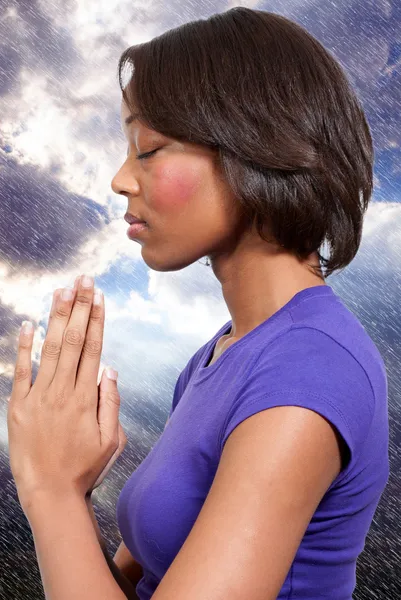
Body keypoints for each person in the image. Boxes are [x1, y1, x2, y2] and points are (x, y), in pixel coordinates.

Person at [109, 7, 389, 599]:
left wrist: (49, 491)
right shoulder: (222, 352)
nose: (120, 179)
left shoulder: (308, 368)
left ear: (255, 145)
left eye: (149, 148)